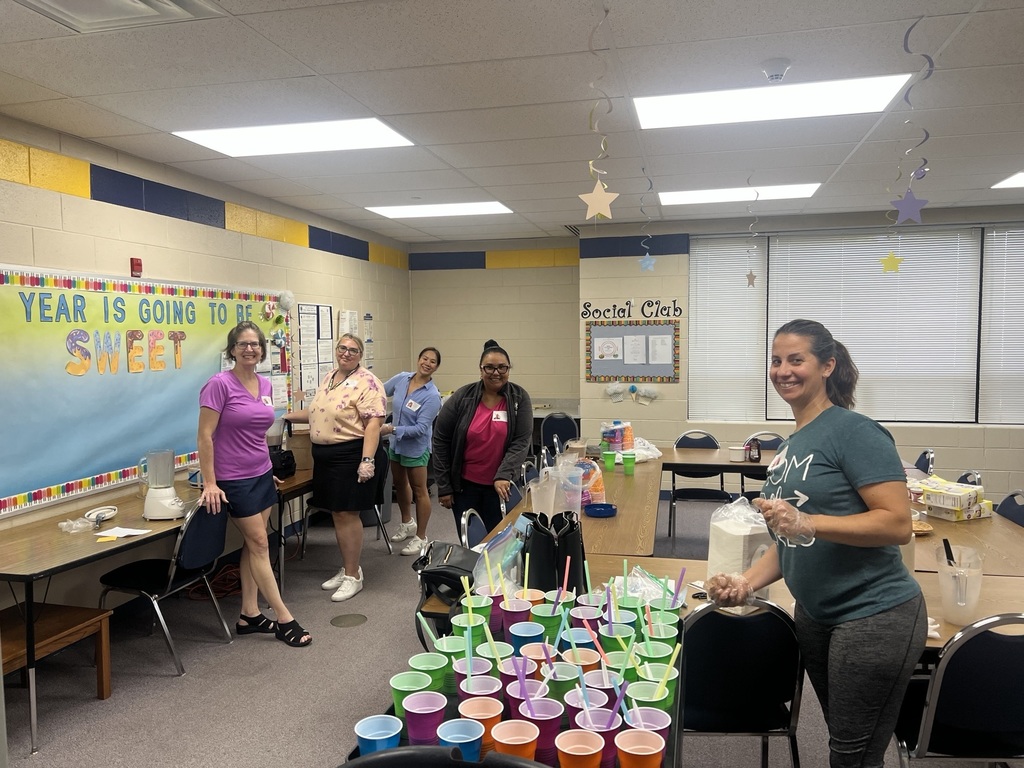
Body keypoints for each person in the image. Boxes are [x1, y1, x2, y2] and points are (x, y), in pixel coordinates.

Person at [707, 318, 926, 768]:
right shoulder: (791, 446)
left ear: (827, 365)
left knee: (852, 754)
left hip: (872, 614)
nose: (783, 370)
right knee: (846, 743)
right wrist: (746, 582)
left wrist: (810, 520)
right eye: (775, 360)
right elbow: (791, 542)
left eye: (795, 360)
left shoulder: (854, 430)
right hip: (816, 616)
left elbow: (897, 523)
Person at [197, 321, 311, 648]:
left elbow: (256, 433)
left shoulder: (264, 384)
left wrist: (266, 469)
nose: (250, 349)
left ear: (262, 350)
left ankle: (248, 614)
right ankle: (284, 617)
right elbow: (205, 436)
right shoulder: (218, 385)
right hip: (232, 479)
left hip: (261, 473)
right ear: (232, 349)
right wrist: (210, 482)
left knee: (253, 545)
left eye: (255, 344)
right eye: (243, 344)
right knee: (261, 543)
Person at [285, 333, 386, 602]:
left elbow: (374, 424)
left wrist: (367, 460)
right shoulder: (330, 377)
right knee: (337, 514)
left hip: (351, 454)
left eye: (353, 350)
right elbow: (319, 411)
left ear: (360, 355)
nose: (346, 353)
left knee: (346, 515)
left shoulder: (367, 382)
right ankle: (347, 567)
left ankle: (354, 576)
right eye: (342, 348)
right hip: (325, 457)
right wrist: (285, 416)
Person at [432, 340, 533, 532]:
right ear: (481, 370)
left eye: (502, 367)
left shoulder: (519, 397)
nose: (496, 373)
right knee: (472, 543)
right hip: (465, 487)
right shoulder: (463, 397)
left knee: (500, 542)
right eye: (489, 367)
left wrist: (504, 474)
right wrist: (444, 486)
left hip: (502, 487)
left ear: (509, 369)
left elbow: (521, 441)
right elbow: (440, 439)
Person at [381, 348, 442, 556]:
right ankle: (407, 522)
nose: (427, 363)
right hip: (396, 444)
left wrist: (392, 429)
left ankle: (421, 537)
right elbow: (380, 391)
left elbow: (421, 429)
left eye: (432, 362)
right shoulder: (402, 379)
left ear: (436, 367)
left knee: (420, 489)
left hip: (416, 447)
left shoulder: (432, 396)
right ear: (418, 359)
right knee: (399, 484)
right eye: (425, 358)